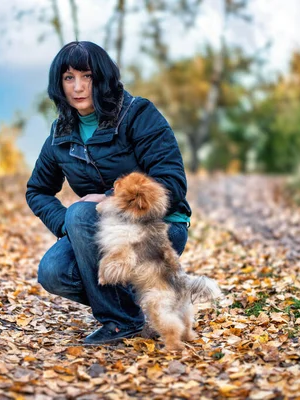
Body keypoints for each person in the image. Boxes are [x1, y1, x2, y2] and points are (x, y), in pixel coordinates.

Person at [26, 41, 192, 345]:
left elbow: (172, 182)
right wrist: (67, 227)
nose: (78, 87)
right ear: (58, 84)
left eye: (86, 76)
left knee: (81, 212)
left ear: (102, 78)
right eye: (68, 78)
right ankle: (142, 306)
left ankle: (121, 320)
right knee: (53, 271)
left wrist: (108, 200)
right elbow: (37, 190)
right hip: (102, 235)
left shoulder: (138, 114)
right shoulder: (60, 133)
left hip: (159, 227)